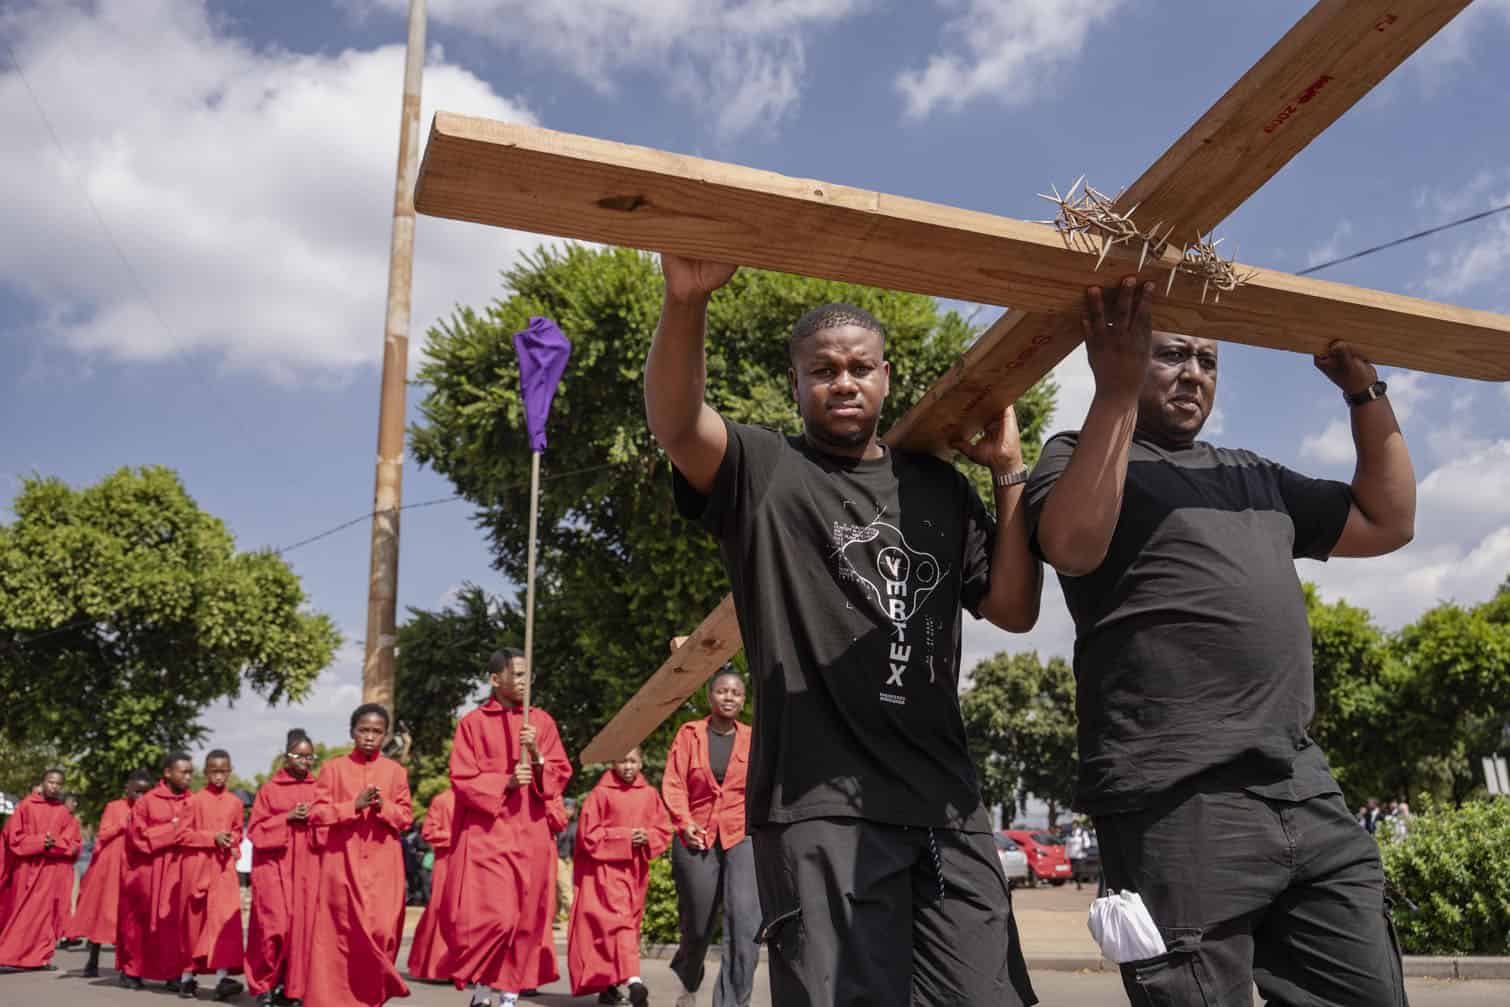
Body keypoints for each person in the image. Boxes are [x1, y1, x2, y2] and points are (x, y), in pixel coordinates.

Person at [645, 255, 1042, 1006]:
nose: (844, 381)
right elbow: (676, 421)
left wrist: (1009, 471)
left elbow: (1015, 608)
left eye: (860, 367)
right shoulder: (763, 471)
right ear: (795, 383)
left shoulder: (937, 487)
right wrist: (686, 298)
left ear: (887, 376)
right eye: (822, 370)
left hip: (946, 803)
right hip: (817, 806)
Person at [1025, 278, 1418, 1006]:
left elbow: (1388, 520)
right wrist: (1111, 393)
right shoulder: (1078, 453)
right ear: (1126, 357)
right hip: (1177, 800)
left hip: (1301, 786)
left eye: (1208, 360)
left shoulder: (1252, 473)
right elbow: (1073, 545)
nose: (1194, 373)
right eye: (1170, 354)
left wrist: (1366, 393)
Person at [441, 649, 572, 1007]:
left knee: (527, 920)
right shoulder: (472, 723)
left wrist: (539, 756)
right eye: (516, 674)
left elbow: (559, 777)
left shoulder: (541, 722)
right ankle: (483, 986)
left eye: (527, 674)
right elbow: (462, 779)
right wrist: (507, 781)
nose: (523, 681)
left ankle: (509, 992)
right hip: (490, 833)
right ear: (494, 679)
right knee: (495, 917)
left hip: (531, 832)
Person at [661, 667, 759, 1007]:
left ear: (743, 700)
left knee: (745, 922)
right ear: (710, 696)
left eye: (736, 693)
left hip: (740, 835)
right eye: (722, 691)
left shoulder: (752, 737)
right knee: (699, 925)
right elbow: (674, 783)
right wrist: (683, 821)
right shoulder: (690, 734)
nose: (729, 697)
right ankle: (689, 973)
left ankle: (731, 1002)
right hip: (697, 835)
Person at [305, 704, 413, 1007]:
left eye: (377, 732)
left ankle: (371, 997)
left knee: (381, 932)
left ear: (385, 735)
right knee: (342, 937)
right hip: (342, 865)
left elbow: (406, 817)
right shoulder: (333, 768)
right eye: (363, 730)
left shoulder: (395, 772)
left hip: (383, 866)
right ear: (352, 732)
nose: (369, 737)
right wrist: (353, 805)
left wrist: (382, 807)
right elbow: (316, 814)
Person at [568, 748, 673, 1006]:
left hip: (635, 872)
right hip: (604, 873)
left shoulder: (650, 794)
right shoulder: (600, 794)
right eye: (622, 761)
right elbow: (588, 834)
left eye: (633, 761)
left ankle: (608, 987)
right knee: (620, 924)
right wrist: (627, 837)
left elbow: (662, 829)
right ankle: (634, 980)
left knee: (622, 926)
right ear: (613, 762)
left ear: (641, 762)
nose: (628, 767)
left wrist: (647, 837)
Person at [119, 752, 209, 991]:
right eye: (184, 772)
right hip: (149, 869)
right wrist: (174, 830)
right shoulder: (147, 801)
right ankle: (133, 970)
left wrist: (176, 833)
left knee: (174, 922)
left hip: (180, 868)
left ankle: (173, 972)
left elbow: (199, 833)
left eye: (191, 772)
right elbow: (138, 837)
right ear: (168, 773)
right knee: (141, 921)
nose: (189, 777)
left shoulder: (195, 801)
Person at [245, 729, 319, 1007]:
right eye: (299, 755)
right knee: (274, 927)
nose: (305, 761)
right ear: (286, 756)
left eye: (309, 756)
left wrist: (313, 817)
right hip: (274, 866)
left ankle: (292, 988)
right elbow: (255, 831)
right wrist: (287, 818)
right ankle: (265, 985)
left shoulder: (319, 788)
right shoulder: (269, 789)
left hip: (307, 868)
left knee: (302, 930)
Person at [68, 770, 153, 978]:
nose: (140, 795)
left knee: (130, 919)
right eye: (136, 791)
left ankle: (129, 966)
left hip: (134, 867)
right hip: (111, 866)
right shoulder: (114, 807)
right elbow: (103, 834)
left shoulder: (151, 809)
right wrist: (125, 823)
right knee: (103, 913)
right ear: (128, 789)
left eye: (144, 791)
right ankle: (93, 960)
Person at [0, 769, 81, 971]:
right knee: (21, 914)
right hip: (26, 869)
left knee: (44, 917)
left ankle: (38, 958)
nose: (54, 787)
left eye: (59, 784)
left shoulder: (63, 812)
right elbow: (13, 839)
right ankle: (8, 954)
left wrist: (52, 845)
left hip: (50, 871)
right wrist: (39, 843)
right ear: (43, 782)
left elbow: (71, 844)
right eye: (51, 782)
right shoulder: (26, 806)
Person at [182, 749, 245, 1001]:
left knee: (223, 923)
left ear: (229, 772)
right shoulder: (193, 801)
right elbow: (183, 835)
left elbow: (238, 831)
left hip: (224, 869)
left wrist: (232, 839)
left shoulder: (235, 803)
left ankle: (222, 978)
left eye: (223, 771)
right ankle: (187, 978)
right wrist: (212, 838)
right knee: (194, 924)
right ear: (206, 772)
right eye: (214, 771)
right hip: (198, 867)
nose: (219, 776)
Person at [406, 787, 457, 983]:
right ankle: (438, 966)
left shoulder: (485, 797)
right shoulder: (443, 799)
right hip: (447, 862)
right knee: (441, 908)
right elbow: (429, 832)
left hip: (476, 861)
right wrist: (456, 838)